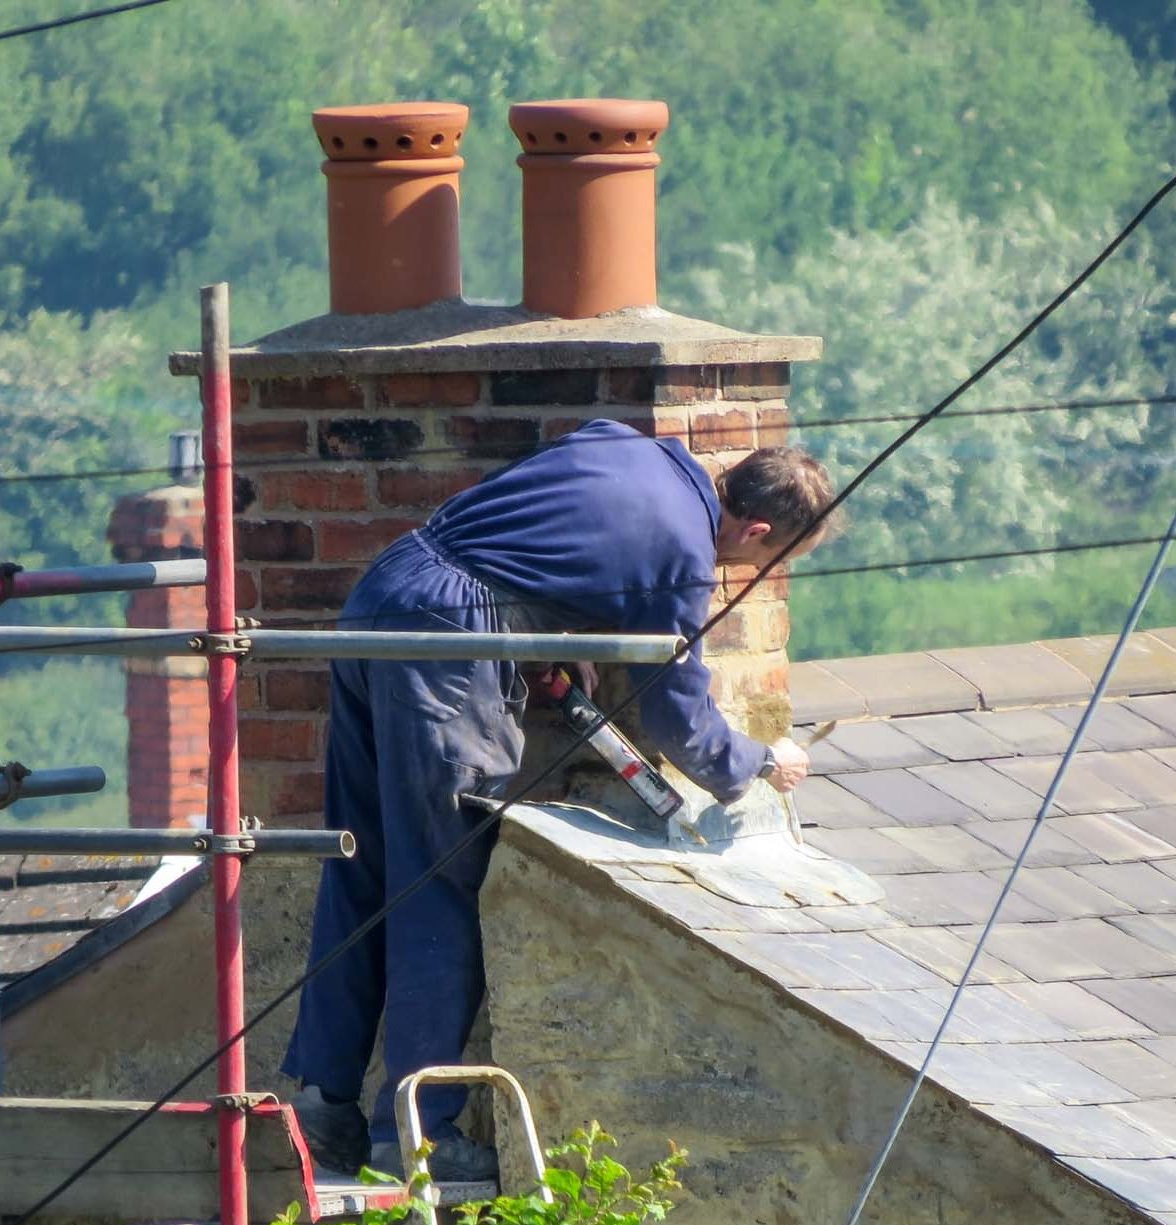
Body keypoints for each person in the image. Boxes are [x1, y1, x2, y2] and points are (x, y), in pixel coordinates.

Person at [283, 419, 835, 1180]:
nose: (747, 572)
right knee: (437, 879)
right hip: (451, 642)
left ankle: (322, 1103)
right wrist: (758, 761)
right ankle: (418, 1138)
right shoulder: (682, 555)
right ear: (758, 528)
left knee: (361, 856)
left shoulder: (621, 441)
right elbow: (678, 716)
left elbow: (533, 537)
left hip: (386, 590)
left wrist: (544, 626)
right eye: (764, 560)